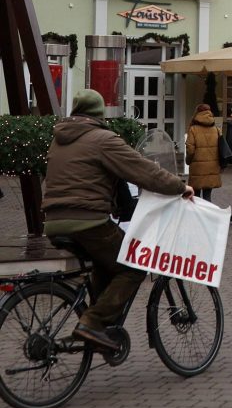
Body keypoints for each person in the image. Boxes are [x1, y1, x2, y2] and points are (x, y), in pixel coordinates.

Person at [41, 89, 194, 352]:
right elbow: (143, 170)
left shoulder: (58, 139)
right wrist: (179, 187)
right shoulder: (102, 139)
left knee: (107, 263)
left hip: (54, 221)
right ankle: (93, 322)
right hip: (87, 220)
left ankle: (95, 328)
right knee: (135, 265)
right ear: (100, 114)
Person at [184, 103, 222, 201]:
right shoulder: (216, 129)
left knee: (196, 197)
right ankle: (208, 215)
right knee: (207, 196)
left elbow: (190, 150)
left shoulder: (193, 129)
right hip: (212, 167)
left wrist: (188, 161)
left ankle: (197, 215)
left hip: (197, 167)